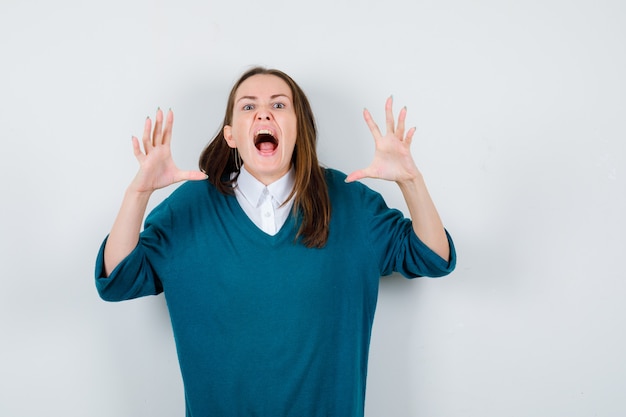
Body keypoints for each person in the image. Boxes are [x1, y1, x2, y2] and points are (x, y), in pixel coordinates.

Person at [95, 66, 456, 416]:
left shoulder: (351, 203)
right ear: (231, 135)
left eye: (279, 105)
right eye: (248, 106)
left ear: (298, 129)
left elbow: (432, 257)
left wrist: (411, 181)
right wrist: (138, 193)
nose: (263, 114)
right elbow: (118, 280)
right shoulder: (189, 208)